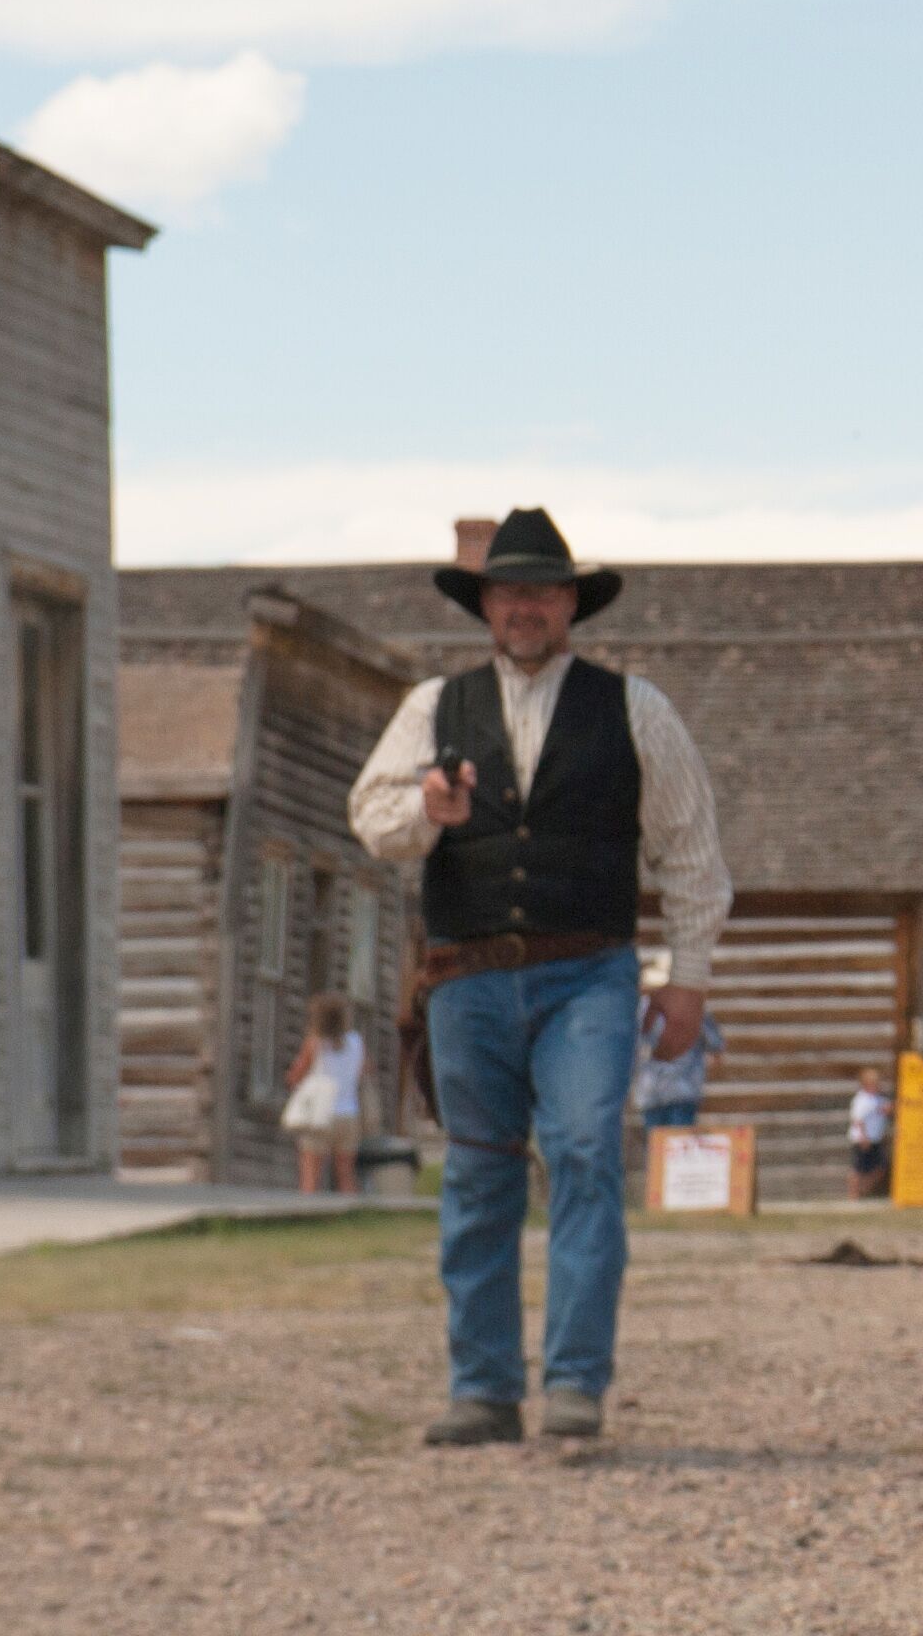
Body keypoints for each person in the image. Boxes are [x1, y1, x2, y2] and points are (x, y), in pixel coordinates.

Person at [349, 508, 731, 1448]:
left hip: (588, 977)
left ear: (572, 603)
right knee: (478, 1176)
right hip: (466, 978)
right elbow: (371, 816)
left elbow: (690, 854)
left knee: (589, 1157)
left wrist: (687, 980)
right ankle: (482, 1389)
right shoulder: (434, 705)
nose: (526, 607)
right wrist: (428, 809)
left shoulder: (636, 707)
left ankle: (573, 1382)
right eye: (509, 591)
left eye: (544, 591)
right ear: (485, 604)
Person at [278, 994, 364, 1196]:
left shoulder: (315, 1043)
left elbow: (297, 1074)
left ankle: (308, 1213)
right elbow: (360, 1072)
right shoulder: (356, 1042)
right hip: (349, 1112)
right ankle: (350, 1214)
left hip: (321, 1113)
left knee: (311, 1172)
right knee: (345, 1172)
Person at [632, 992, 724, 1134]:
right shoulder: (640, 1008)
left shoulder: (690, 1004)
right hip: (656, 1092)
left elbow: (715, 1048)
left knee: (672, 1146)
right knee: (661, 1148)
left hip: (677, 1091)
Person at [849, 1064, 895, 1200]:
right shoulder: (861, 1099)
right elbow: (858, 1119)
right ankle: (854, 1194)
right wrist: (863, 1137)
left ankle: (863, 1189)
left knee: (880, 1167)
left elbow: (886, 1109)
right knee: (858, 1168)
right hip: (863, 1139)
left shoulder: (878, 1098)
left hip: (875, 1139)